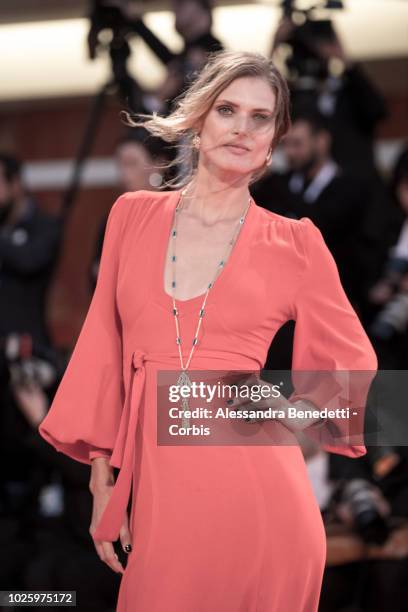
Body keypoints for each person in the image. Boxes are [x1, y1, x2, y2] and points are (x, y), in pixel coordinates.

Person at [38, 50, 378, 611]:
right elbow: (101, 351)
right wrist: (102, 482)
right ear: (198, 119)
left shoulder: (295, 244)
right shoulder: (131, 217)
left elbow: (359, 374)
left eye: (261, 118)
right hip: (160, 495)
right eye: (227, 109)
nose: (242, 128)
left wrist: (283, 411)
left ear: (273, 140)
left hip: (262, 498)